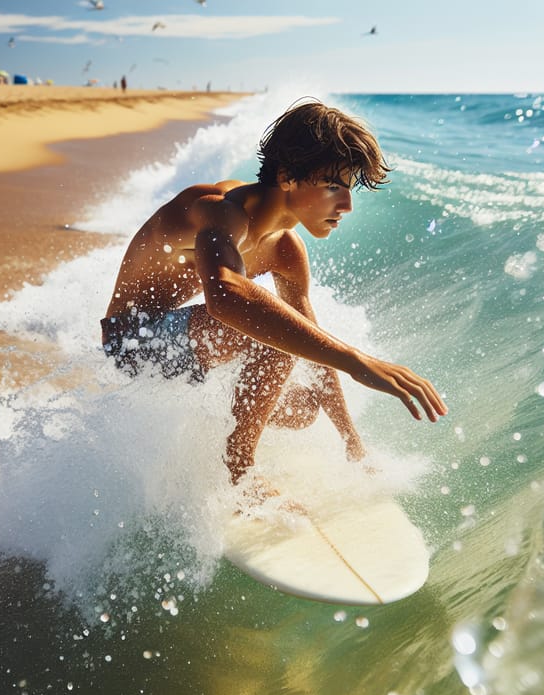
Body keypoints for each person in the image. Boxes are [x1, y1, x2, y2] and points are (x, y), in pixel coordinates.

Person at [101, 99, 447, 485]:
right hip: (132, 341)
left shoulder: (286, 250)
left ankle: (213, 418)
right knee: (276, 339)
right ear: (287, 176)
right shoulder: (218, 210)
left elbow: (311, 344)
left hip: (186, 351)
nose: (346, 205)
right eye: (333, 186)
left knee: (305, 407)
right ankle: (239, 466)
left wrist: (351, 441)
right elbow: (225, 296)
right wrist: (356, 361)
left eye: (348, 189)